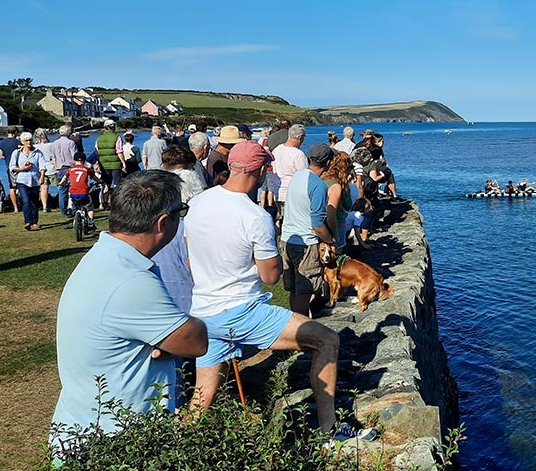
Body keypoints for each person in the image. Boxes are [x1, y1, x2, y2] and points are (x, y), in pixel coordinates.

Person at [183, 141, 344, 438]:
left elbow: (190, 255)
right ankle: (330, 431)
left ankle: (173, 445)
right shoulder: (255, 216)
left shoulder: (197, 203)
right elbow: (270, 276)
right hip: (241, 311)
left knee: (201, 396)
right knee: (327, 340)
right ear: (258, 171)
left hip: (205, 312)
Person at [49, 171, 208, 456]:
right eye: (179, 212)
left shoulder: (106, 258)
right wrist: (172, 337)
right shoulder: (130, 280)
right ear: (162, 222)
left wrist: (164, 340)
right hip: (113, 445)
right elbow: (195, 342)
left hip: (85, 428)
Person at [281, 143, 336, 316]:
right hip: (306, 243)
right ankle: (301, 333)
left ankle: (292, 325)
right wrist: (331, 240)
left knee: (293, 290)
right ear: (328, 162)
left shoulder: (298, 176)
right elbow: (317, 225)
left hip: (287, 239)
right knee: (305, 292)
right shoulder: (318, 186)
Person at [9, 132, 46, 230]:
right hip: (22, 180)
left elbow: (42, 166)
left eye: (30, 140)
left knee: (34, 201)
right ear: (22, 142)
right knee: (26, 201)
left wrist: (42, 176)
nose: (29, 142)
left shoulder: (38, 152)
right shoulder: (16, 153)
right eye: (26, 140)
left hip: (34, 180)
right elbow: (12, 167)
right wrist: (22, 168)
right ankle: (28, 221)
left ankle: (34, 222)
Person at [272, 124, 308, 223]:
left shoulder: (277, 150)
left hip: (278, 191)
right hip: (291, 194)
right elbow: (304, 177)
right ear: (300, 138)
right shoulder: (298, 154)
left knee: (283, 220)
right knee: (293, 222)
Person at [60, 152, 101, 228]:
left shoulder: (70, 169)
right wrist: (100, 181)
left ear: (74, 160)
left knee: (70, 195)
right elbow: (95, 178)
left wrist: (61, 183)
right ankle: (91, 221)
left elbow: (64, 178)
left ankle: (69, 208)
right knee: (90, 206)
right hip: (84, 192)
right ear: (84, 160)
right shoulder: (87, 169)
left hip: (74, 193)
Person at [96, 119, 125, 203]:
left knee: (105, 184)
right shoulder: (117, 137)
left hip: (103, 164)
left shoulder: (99, 138)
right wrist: (123, 163)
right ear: (113, 127)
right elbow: (119, 151)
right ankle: (116, 202)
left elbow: (97, 152)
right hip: (115, 164)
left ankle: (103, 202)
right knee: (117, 184)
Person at [50, 125, 77, 215]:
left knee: (62, 190)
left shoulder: (54, 144)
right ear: (69, 133)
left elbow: (53, 158)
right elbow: (75, 156)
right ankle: (73, 208)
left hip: (59, 168)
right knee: (73, 189)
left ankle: (63, 210)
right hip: (70, 168)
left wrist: (56, 167)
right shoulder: (71, 143)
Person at [0, 127, 21, 214]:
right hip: (20, 167)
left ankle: (15, 208)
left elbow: (1, 156)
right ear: (15, 132)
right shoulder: (17, 142)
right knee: (22, 186)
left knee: (12, 187)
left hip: (10, 168)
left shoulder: (1, 143)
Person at [33, 128, 56, 213]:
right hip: (51, 167)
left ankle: (44, 206)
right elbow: (54, 157)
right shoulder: (51, 145)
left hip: (41, 169)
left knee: (44, 188)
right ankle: (63, 204)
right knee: (60, 186)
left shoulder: (34, 147)